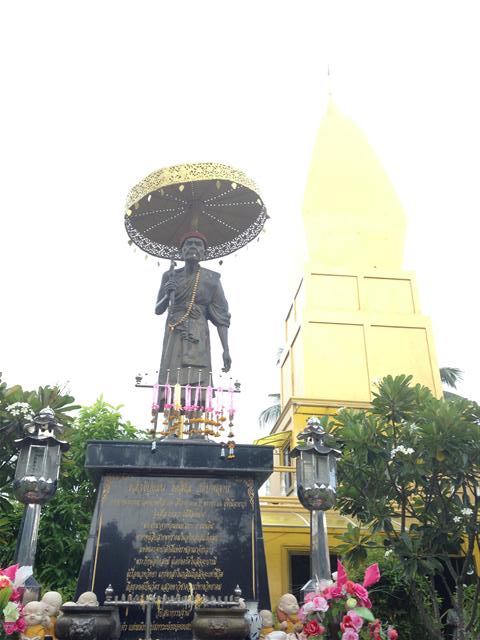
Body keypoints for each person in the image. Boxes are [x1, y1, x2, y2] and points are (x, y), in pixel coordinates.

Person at [155, 231, 231, 398]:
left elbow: (222, 317)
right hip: (175, 331)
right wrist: (167, 294)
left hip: (199, 333)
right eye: (189, 244)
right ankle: (171, 409)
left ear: (204, 252)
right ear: (181, 251)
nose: (193, 247)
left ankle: (197, 412)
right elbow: (158, 310)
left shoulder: (211, 279)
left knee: (198, 383)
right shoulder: (169, 276)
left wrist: (226, 349)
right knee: (171, 379)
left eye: (198, 244)